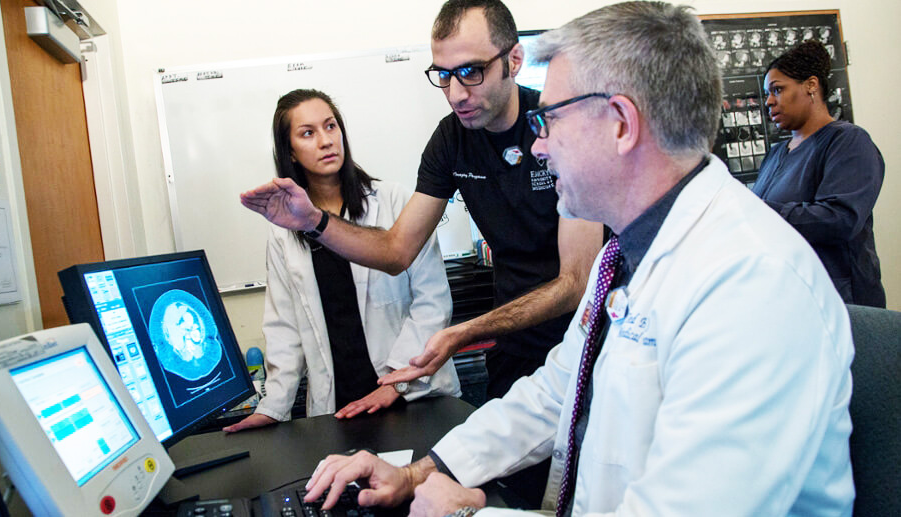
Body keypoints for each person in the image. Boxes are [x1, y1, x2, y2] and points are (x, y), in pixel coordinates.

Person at [299, 3, 855, 516]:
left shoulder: (752, 286)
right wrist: (414, 473)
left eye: (552, 120)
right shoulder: (628, 257)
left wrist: (471, 512)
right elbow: (556, 392)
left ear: (621, 123)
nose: (537, 146)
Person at [240, 0, 603, 403]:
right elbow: (396, 251)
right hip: (513, 350)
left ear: (514, 59)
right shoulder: (451, 140)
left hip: (587, 346)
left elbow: (576, 282)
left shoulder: (560, 124)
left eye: (471, 72)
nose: (455, 93)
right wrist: (316, 222)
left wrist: (465, 331)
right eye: (443, 76)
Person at [224, 89, 460, 432]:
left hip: (413, 398)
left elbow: (433, 302)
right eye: (308, 133)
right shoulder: (283, 232)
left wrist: (396, 382)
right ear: (289, 150)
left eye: (331, 126)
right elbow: (284, 328)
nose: (325, 141)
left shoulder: (394, 201)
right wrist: (272, 408)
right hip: (339, 409)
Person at [752, 40, 886, 307]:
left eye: (777, 90)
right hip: (789, 299)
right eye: (767, 93)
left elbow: (840, 219)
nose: (768, 101)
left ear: (811, 85)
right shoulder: (777, 153)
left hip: (840, 303)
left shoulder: (847, 141)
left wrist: (756, 212)